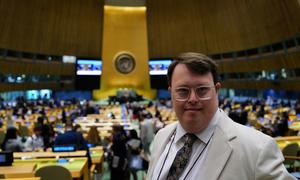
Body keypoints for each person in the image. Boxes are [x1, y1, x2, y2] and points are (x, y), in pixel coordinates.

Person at [147, 52, 295, 180]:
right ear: (171, 93)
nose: (192, 99)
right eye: (183, 91)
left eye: (202, 90)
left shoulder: (258, 149)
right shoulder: (162, 136)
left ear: (216, 90)